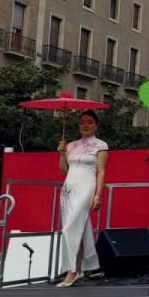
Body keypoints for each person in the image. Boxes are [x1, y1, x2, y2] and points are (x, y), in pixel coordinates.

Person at [54, 110, 107, 287]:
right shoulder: (70, 145)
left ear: (96, 125)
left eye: (90, 122)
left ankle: (71, 270)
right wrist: (62, 154)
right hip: (69, 187)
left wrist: (98, 194)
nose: (86, 125)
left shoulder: (101, 145)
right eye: (82, 122)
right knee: (80, 228)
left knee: (69, 228)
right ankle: (78, 269)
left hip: (87, 186)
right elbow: (63, 171)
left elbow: (101, 171)